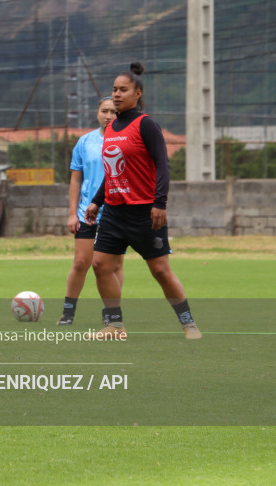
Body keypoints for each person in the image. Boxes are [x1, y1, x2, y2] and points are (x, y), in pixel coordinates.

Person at [84, 63, 202, 340]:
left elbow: (163, 165)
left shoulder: (146, 124)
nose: (116, 94)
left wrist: (159, 203)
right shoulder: (111, 127)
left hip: (144, 212)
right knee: (100, 265)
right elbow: (114, 171)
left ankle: (189, 324)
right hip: (114, 212)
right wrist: (96, 202)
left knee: (160, 270)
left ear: (137, 93)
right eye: (114, 89)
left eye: (123, 90)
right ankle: (114, 326)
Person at [57, 97, 125, 325]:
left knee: (114, 265)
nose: (109, 116)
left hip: (117, 213)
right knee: (80, 262)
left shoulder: (127, 141)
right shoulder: (85, 142)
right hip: (88, 212)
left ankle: (112, 317)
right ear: (97, 113)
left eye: (114, 112)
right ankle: (68, 312)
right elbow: (76, 180)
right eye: (104, 111)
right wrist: (71, 213)